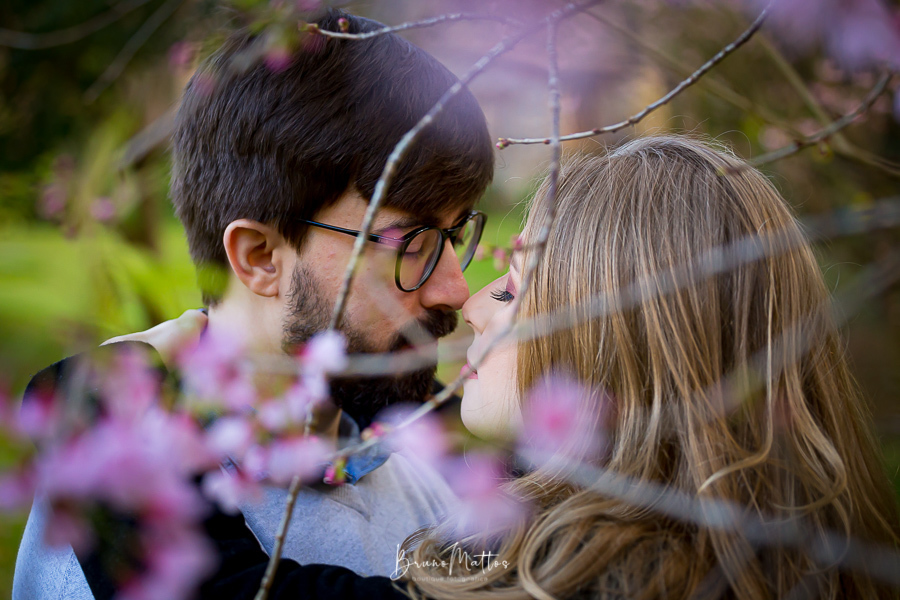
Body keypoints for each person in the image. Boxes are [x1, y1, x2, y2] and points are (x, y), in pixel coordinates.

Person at [194, 136, 900, 599]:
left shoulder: (574, 580)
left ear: (612, 346)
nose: (471, 304)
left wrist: (104, 408)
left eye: (513, 288)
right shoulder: (753, 550)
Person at [13, 8, 494, 600]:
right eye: (413, 243)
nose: (455, 288)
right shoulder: (109, 479)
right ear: (261, 257)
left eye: (454, 236)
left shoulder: (412, 465)